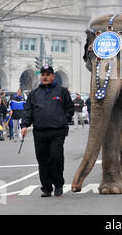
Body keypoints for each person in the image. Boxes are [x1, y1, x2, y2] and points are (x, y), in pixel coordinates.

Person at [21, 65, 75, 198]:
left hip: (57, 131)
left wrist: (63, 120)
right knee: (43, 160)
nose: (44, 77)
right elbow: (28, 110)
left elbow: (70, 108)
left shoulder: (62, 92)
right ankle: (46, 187)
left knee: (56, 157)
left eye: (47, 74)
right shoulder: (34, 94)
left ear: (52, 76)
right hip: (39, 132)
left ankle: (58, 185)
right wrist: (24, 125)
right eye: (43, 75)